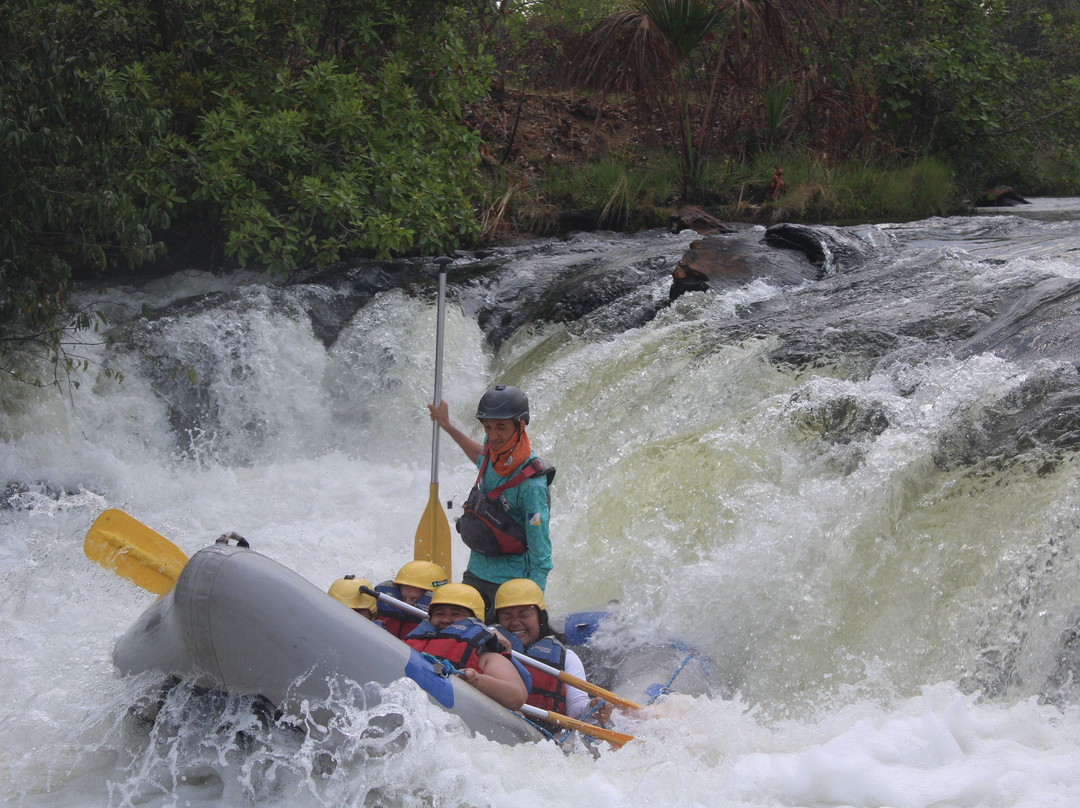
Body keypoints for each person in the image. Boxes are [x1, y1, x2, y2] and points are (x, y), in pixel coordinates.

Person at [428, 384, 555, 618]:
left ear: (520, 426)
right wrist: (446, 426)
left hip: (509, 586)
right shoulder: (492, 455)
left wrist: (534, 605)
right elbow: (479, 457)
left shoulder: (532, 485)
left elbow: (541, 552)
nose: (493, 435)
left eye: (501, 427)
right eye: (487, 427)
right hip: (475, 573)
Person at [495, 578, 612, 724]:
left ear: (540, 618)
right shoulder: (488, 646)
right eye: (506, 617)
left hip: (544, 734)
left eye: (524, 615)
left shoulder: (567, 657)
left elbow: (576, 709)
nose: (515, 623)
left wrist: (590, 708)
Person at [404, 583, 529, 710]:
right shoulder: (415, 643)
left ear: (475, 620)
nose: (446, 619)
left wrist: (477, 681)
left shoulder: (488, 658)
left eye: (455, 614)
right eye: (439, 613)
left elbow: (517, 696)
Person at [373, 560, 448, 638]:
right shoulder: (374, 609)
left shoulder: (447, 621)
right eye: (403, 598)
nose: (407, 603)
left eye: (413, 599)